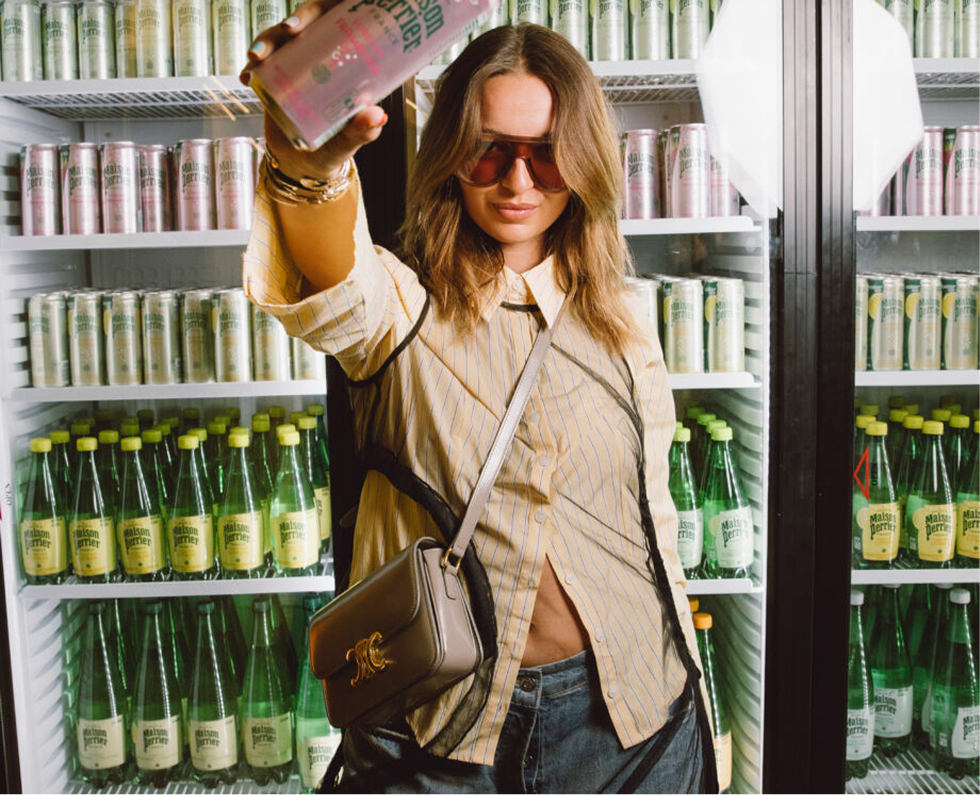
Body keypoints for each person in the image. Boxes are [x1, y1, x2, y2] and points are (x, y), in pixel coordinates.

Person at [242, 12, 717, 794]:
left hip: (636, 720)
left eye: (547, 155)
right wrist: (304, 160)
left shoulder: (622, 319)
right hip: (445, 723)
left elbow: (650, 522)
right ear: (449, 153)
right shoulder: (407, 308)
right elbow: (336, 280)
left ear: (586, 159)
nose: (518, 180)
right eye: (488, 149)